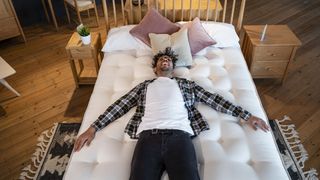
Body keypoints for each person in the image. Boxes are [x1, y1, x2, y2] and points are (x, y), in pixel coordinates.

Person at [74, 47, 270, 180]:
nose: (165, 61)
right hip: (148, 138)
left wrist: (246, 115)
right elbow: (120, 105)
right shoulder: (144, 86)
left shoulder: (186, 85)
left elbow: (214, 99)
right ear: (155, 67)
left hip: (180, 138)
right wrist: (93, 127)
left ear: (173, 67)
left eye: (168, 59)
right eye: (161, 59)